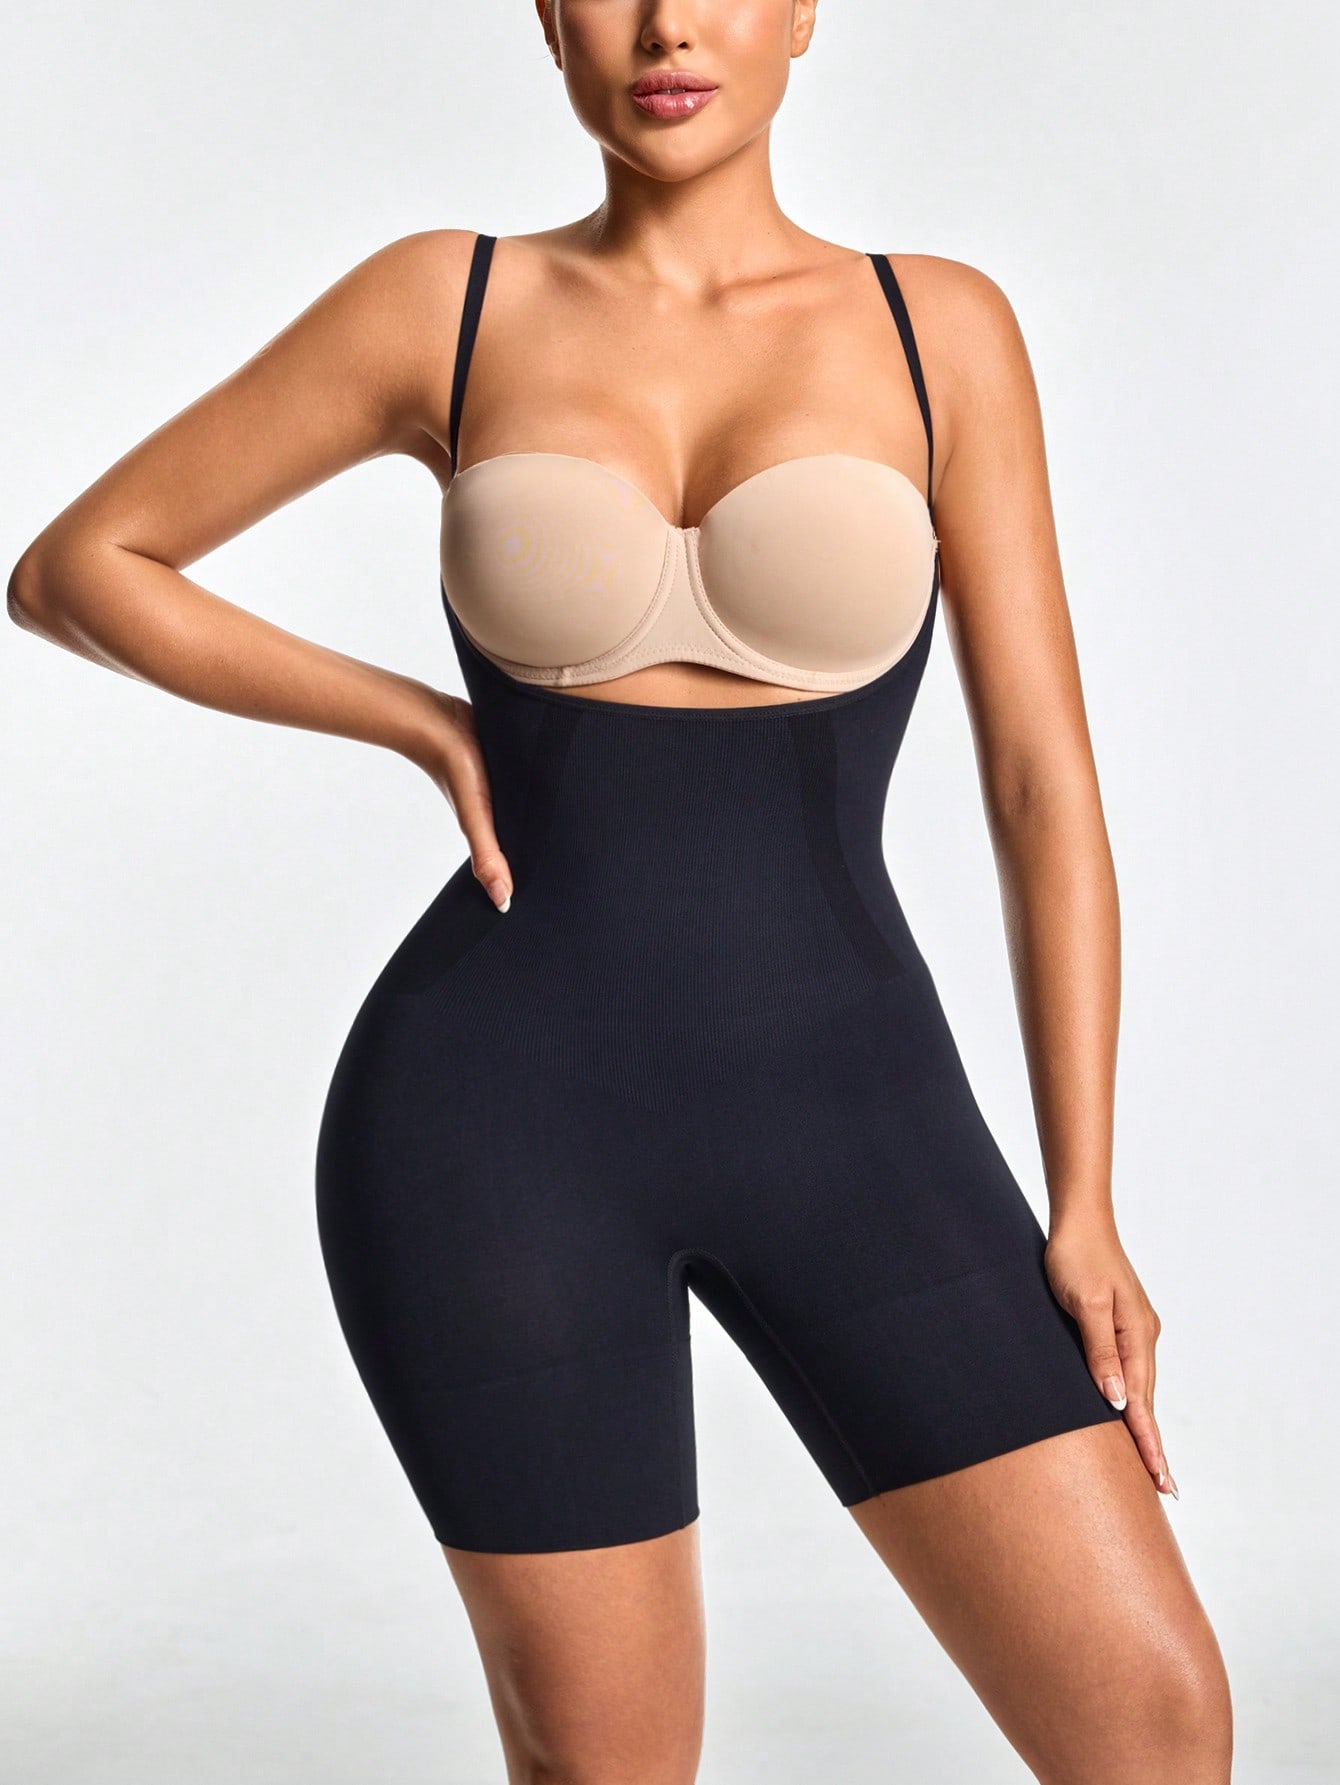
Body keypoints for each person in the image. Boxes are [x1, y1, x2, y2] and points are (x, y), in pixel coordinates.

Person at [8, 2, 1233, 1780]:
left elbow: (1043, 791)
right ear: (548, 20)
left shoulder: (939, 327)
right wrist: (419, 721)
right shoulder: (447, 304)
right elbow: (80, 567)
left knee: (1152, 1720)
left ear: (803, 13)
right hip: (492, 1133)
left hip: (856, 1117)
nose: (666, 24)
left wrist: (1086, 1198)